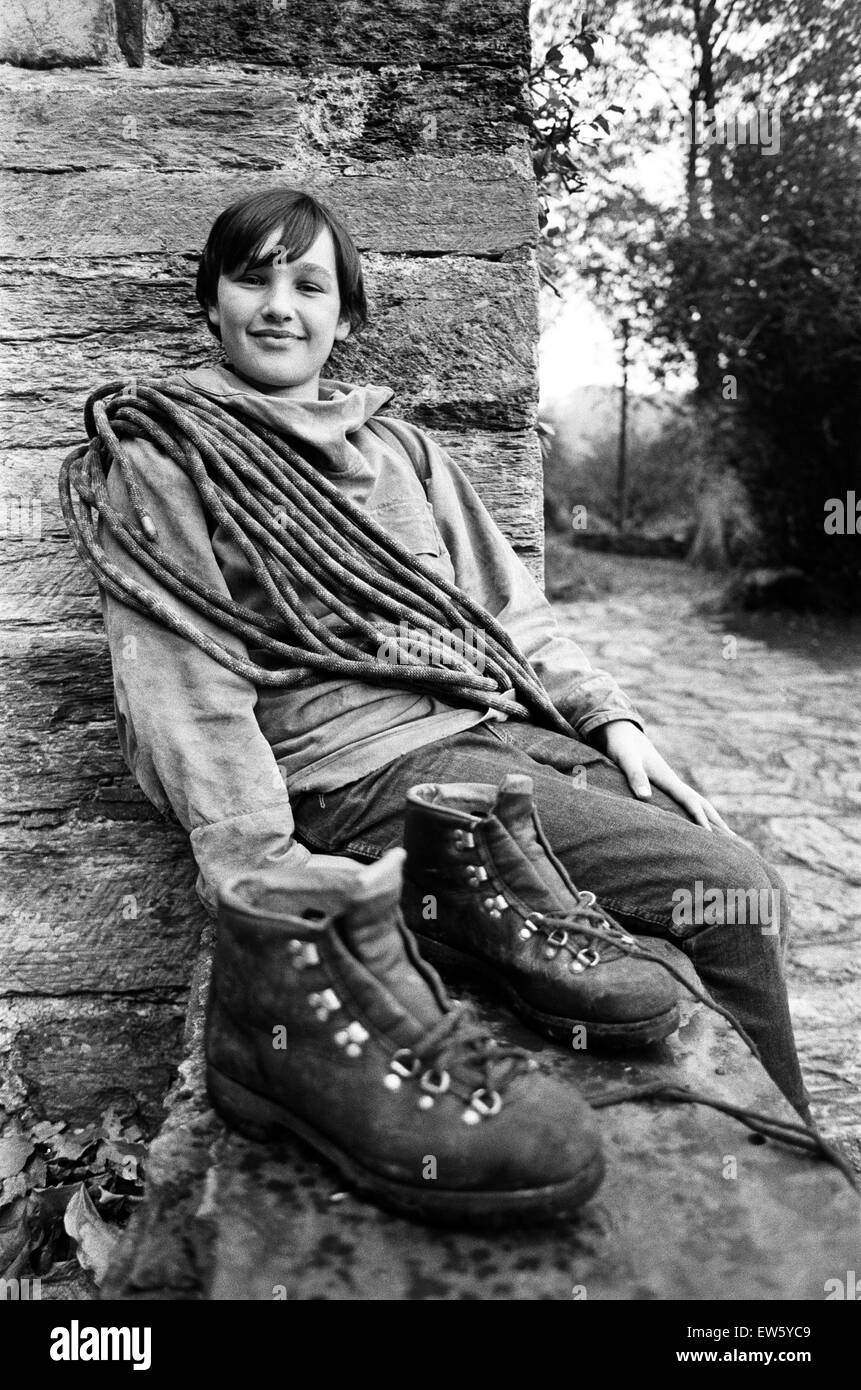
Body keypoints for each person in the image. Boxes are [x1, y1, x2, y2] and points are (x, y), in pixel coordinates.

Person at [61, 189, 810, 1201]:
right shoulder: (166, 453)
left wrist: (610, 719)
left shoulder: (402, 451)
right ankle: (760, 1192)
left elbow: (513, 614)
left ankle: (770, 1163)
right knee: (733, 890)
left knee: (724, 890)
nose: (280, 304)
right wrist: (268, 882)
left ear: (346, 317)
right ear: (212, 304)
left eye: (309, 283)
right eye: (253, 278)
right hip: (372, 784)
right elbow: (183, 688)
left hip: (497, 742)